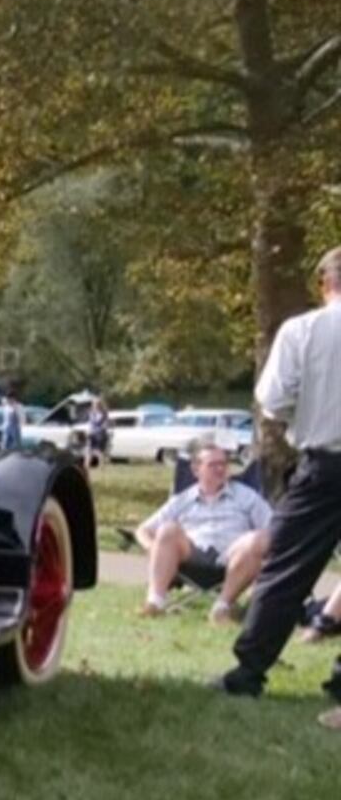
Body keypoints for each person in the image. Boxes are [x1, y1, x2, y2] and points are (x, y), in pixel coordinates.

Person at [217, 245, 341, 697]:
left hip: (324, 463)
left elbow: (274, 398)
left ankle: (249, 671)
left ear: (324, 283)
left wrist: (304, 416)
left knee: (286, 568)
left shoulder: (301, 330)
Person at [137, 442, 272, 623]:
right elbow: (143, 529)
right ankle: (155, 603)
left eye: (223, 464)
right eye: (212, 465)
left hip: (234, 558)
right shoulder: (183, 499)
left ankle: (222, 607)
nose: (220, 469)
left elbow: (274, 528)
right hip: (192, 557)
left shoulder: (246, 497)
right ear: (196, 469)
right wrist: (152, 547)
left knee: (258, 538)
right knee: (167, 530)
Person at [85, 396, 111, 470]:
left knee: (99, 451)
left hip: (100, 434)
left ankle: (101, 466)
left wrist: (99, 430)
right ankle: (86, 466)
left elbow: (104, 424)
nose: (95, 405)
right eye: (94, 404)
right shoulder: (91, 412)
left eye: (97, 404)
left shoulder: (103, 413)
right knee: (88, 450)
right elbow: (90, 424)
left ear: (100, 404)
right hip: (92, 433)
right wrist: (89, 431)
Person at [0, 384, 25, 452]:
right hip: (6, 430)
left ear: (14, 398)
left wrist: (15, 409)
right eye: (8, 399)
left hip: (15, 430)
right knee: (4, 447)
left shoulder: (19, 406)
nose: (9, 400)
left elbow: (22, 419)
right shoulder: (6, 407)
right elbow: (5, 419)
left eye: (10, 398)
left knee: (15, 448)